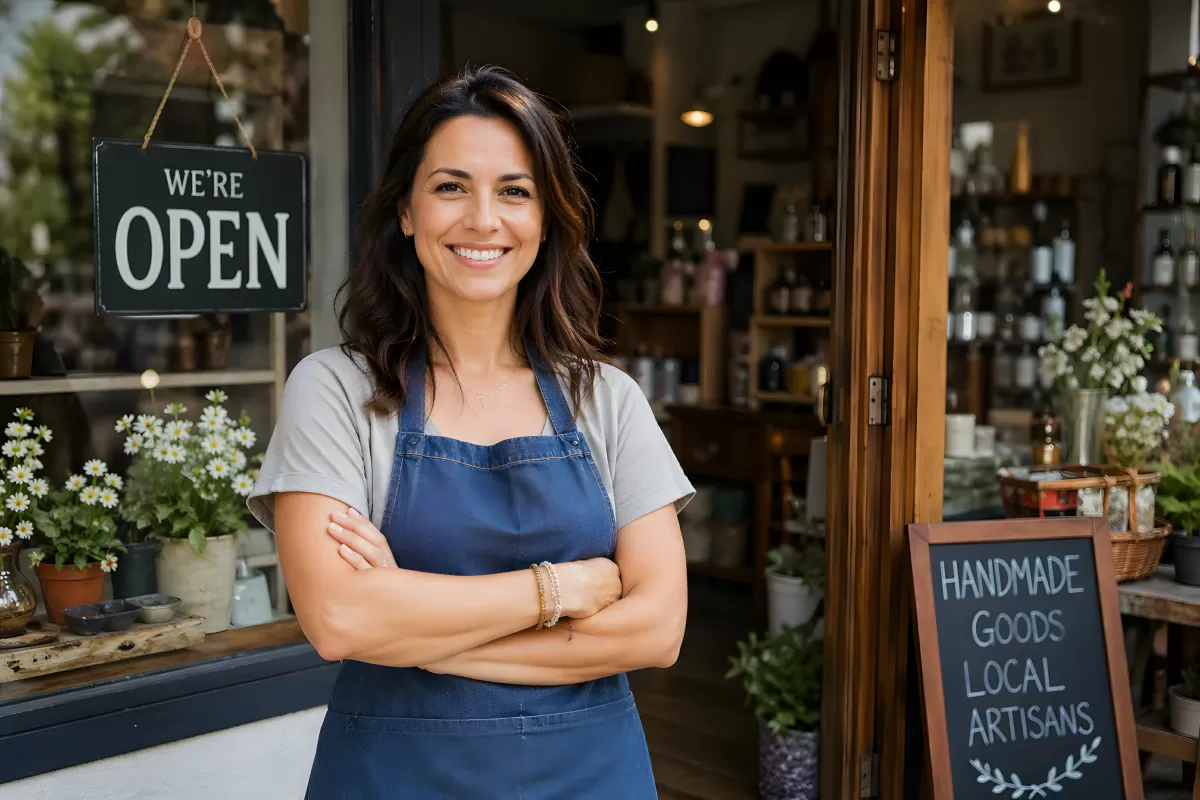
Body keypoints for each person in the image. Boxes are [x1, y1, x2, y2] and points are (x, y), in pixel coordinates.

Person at [247, 65, 694, 799]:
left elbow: (657, 631)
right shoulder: (334, 391)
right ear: (406, 211)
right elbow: (338, 619)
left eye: (514, 191)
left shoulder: (607, 400)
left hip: (592, 777)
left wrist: (416, 629)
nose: (483, 219)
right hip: (394, 779)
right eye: (451, 187)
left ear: (545, 218)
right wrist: (563, 587)